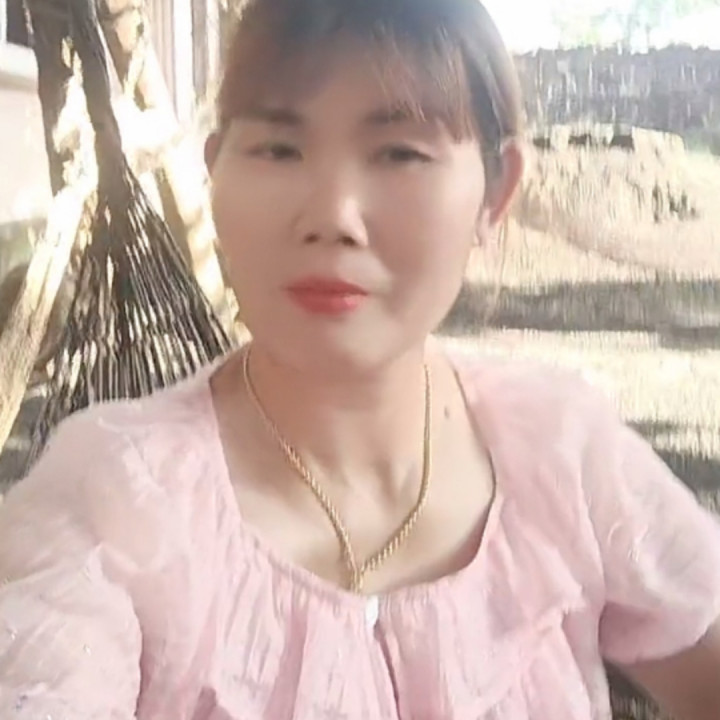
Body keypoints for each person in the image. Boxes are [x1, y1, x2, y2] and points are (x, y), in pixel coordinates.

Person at [1, 0, 719, 717]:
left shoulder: (563, 453)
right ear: (216, 174)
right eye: (278, 150)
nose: (332, 215)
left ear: (495, 192)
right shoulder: (113, 504)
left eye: (400, 153)